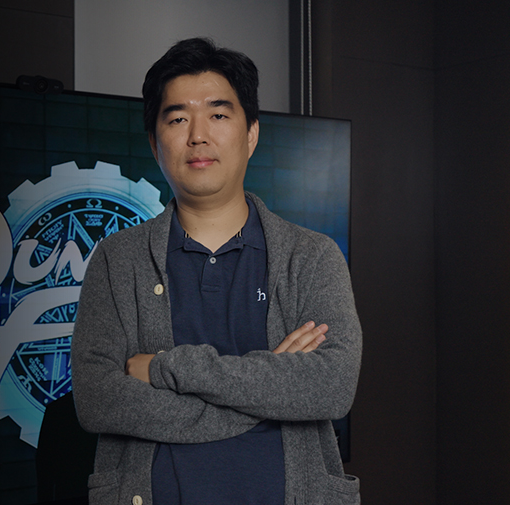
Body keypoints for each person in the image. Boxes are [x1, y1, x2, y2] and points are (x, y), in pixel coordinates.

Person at [70, 37, 362, 505]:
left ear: (251, 135)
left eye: (219, 115)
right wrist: (272, 390)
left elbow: (331, 387)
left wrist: (165, 368)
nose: (198, 136)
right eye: (178, 118)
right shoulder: (116, 259)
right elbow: (98, 399)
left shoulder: (311, 256)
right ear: (155, 142)